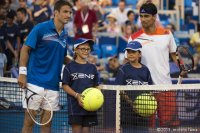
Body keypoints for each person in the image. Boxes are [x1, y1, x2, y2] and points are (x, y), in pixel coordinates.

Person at [17, 1, 73, 133]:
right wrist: (22, 73)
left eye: (70, 12)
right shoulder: (40, 28)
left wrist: (80, 65)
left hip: (53, 86)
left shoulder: (65, 35)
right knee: (28, 123)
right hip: (34, 82)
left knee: (47, 125)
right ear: (56, 12)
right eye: (65, 11)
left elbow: (63, 57)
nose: (68, 15)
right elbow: (25, 49)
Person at [128, 3, 180, 127]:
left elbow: (174, 54)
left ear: (154, 17)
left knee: (170, 126)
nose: (143, 19)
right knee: (146, 127)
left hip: (165, 87)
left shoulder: (167, 34)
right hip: (144, 90)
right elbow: (128, 62)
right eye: (141, 16)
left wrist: (181, 67)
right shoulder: (134, 38)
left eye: (146, 16)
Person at [62, 38, 100, 133]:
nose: (86, 51)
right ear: (75, 50)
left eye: (88, 49)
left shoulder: (93, 68)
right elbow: (65, 85)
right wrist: (76, 95)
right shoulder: (69, 67)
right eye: (83, 48)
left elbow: (96, 86)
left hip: (89, 107)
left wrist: (96, 99)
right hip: (75, 107)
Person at [115, 41, 153, 131]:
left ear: (139, 54)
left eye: (133, 52)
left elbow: (150, 89)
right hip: (127, 113)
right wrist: (133, 104)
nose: (130, 54)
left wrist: (148, 105)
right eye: (128, 52)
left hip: (143, 114)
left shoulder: (145, 70)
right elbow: (119, 89)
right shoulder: (123, 69)